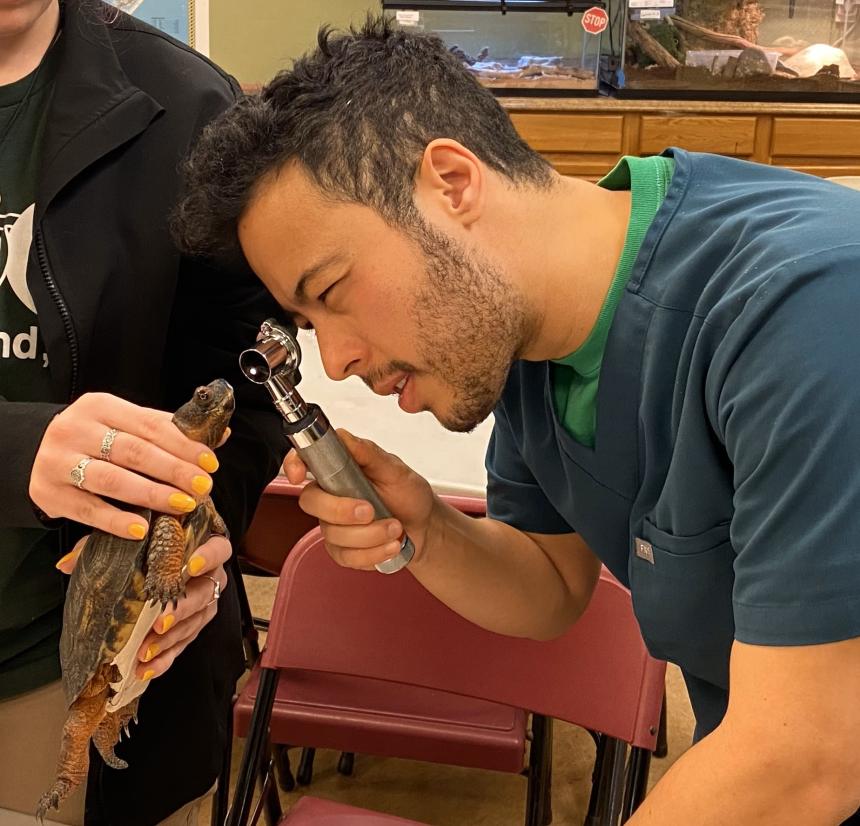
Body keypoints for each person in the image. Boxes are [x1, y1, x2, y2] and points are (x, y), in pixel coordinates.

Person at [173, 14, 860, 826]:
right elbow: (551, 586)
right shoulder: (529, 345)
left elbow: (807, 761)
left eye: (329, 293)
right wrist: (425, 524)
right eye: (308, 325)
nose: (338, 361)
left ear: (452, 183)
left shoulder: (807, 307)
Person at [0, 0, 287, 823]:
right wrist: (19, 451)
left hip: (102, 684)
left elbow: (249, 375)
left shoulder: (189, 106)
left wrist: (202, 534)